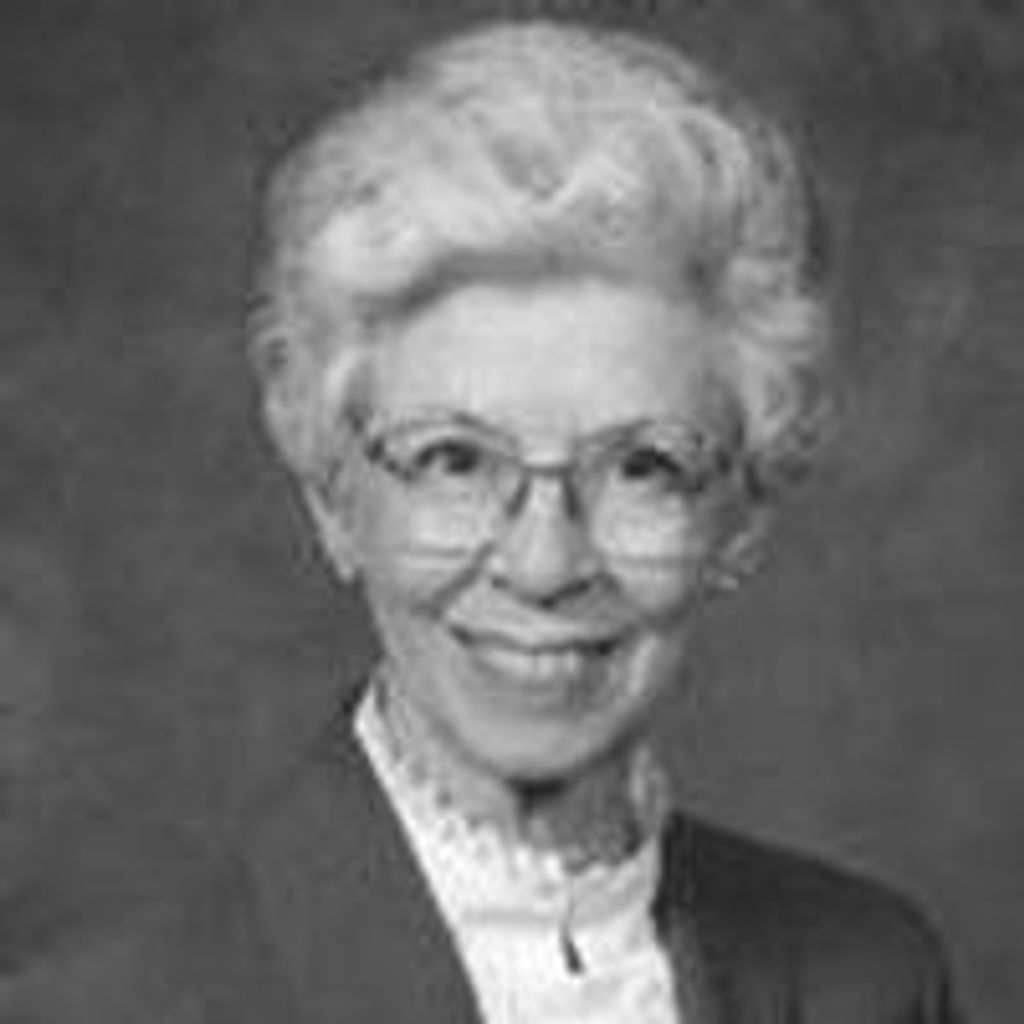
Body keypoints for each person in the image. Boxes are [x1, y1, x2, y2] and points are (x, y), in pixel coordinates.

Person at [7, 17, 965, 1023]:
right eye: (454, 461)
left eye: (642, 465)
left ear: (742, 514)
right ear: (332, 495)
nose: (544, 564)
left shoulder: (872, 979)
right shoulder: (98, 1008)